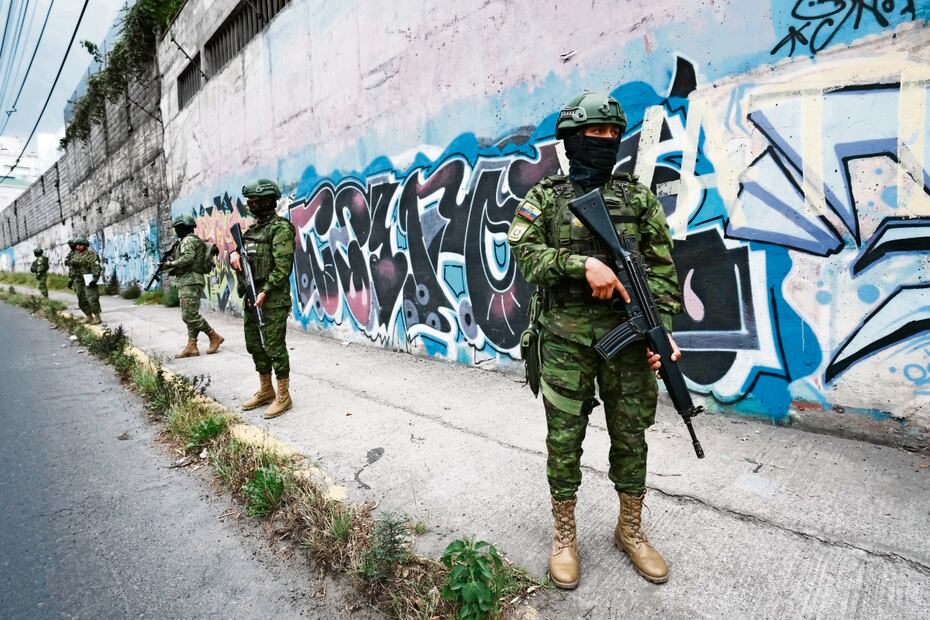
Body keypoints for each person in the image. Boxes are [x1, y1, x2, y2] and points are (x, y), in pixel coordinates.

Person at [508, 92, 684, 588]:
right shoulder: (546, 198)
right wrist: (580, 264)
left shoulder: (637, 199)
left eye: (612, 133)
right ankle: (564, 534)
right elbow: (523, 252)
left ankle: (630, 529)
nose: (606, 141)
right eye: (595, 133)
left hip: (626, 343)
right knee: (564, 441)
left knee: (631, 437)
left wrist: (661, 334)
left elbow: (663, 271)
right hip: (564, 341)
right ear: (572, 140)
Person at [228, 179, 296, 419]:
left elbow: (283, 267)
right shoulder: (252, 231)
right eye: (249, 201)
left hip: (273, 300)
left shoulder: (280, 229)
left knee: (274, 347)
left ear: (267, 201)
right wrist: (233, 254)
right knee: (255, 346)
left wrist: (265, 290)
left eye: (254, 200)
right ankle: (266, 390)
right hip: (251, 298)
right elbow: (240, 253)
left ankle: (283, 395)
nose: (250, 204)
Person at [163, 214, 224, 358]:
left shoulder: (188, 240)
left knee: (188, 315)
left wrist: (170, 264)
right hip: (189, 280)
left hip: (190, 281)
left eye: (177, 228)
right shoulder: (190, 240)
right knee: (191, 313)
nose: (176, 231)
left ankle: (214, 336)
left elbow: (187, 259)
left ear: (183, 227)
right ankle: (192, 346)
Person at [71, 238, 103, 325]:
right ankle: (89, 316)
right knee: (81, 299)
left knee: (92, 298)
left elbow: (96, 266)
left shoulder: (90, 254)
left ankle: (97, 316)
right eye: (77, 245)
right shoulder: (75, 254)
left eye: (80, 244)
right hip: (79, 280)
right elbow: (72, 267)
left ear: (85, 245)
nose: (78, 246)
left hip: (89, 279)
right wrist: (72, 279)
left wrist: (95, 279)